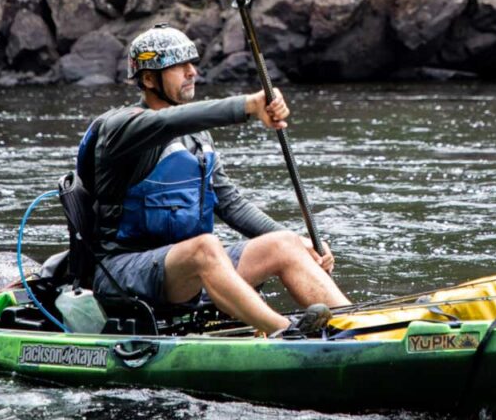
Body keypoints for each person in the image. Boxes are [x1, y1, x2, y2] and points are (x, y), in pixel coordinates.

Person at [78, 24, 350, 336]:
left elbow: (230, 203)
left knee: (284, 243)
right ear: (149, 79)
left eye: (192, 63)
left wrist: (305, 244)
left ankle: (353, 326)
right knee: (206, 248)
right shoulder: (121, 129)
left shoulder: (197, 136)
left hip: (187, 272)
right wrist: (248, 105)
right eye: (179, 66)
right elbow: (167, 121)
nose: (192, 72)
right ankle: (286, 332)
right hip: (124, 273)